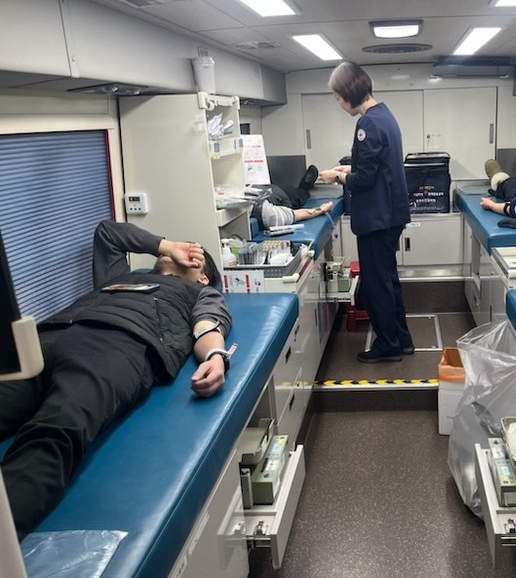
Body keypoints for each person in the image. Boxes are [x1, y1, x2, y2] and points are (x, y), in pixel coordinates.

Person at [0, 220, 233, 539]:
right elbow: (108, 233)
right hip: (46, 338)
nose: (183, 250)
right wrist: (168, 246)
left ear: (203, 276)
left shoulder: (201, 291)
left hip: (116, 344)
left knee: (57, 428)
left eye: (195, 254)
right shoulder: (120, 278)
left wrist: (215, 357)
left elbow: (207, 325)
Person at [318, 61, 413, 363]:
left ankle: (388, 346)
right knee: (388, 280)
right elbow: (380, 167)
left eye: (338, 97)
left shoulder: (367, 124)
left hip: (377, 219)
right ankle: (402, 339)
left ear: (349, 93)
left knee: (376, 285)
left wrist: (338, 177)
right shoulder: (385, 115)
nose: (338, 103)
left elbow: (367, 179)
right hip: (390, 215)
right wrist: (350, 169)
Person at [248, 165, 334, 230]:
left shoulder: (261, 212)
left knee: (300, 194)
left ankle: (304, 187)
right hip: (268, 188)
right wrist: (321, 210)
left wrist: (320, 210)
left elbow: (293, 215)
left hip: (282, 195)